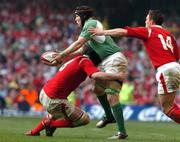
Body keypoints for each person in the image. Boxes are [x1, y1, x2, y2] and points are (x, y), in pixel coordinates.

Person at [50, 5, 128, 139]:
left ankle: (122, 133)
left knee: (112, 97)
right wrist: (62, 57)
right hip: (107, 62)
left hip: (114, 59)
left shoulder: (90, 23)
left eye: (77, 16)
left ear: (83, 16)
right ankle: (109, 117)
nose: (75, 19)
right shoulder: (91, 31)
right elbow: (81, 51)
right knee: (97, 89)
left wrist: (62, 55)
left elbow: (78, 43)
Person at [89, 10, 180, 124]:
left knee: (168, 108)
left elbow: (122, 32)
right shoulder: (169, 35)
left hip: (165, 69)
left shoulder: (149, 30)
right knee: (171, 105)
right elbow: (176, 56)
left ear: (151, 21)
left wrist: (102, 32)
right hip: (176, 67)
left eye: (146, 19)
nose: (145, 21)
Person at [25, 55, 126, 136]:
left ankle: (35, 131)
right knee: (84, 119)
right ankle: (51, 125)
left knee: (57, 114)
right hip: (54, 99)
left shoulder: (77, 58)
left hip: (45, 92)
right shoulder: (85, 61)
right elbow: (95, 75)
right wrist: (118, 76)